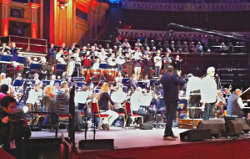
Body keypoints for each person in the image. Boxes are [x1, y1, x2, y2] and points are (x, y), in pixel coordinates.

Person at [160, 66, 185, 140]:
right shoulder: (172, 77)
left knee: (169, 116)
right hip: (173, 98)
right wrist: (179, 76)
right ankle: (166, 134)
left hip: (167, 98)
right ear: (173, 71)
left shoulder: (164, 76)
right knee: (171, 117)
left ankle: (170, 133)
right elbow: (182, 82)